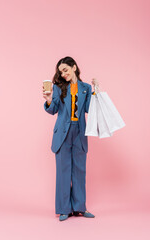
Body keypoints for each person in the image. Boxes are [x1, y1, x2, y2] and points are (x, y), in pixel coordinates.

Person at [42, 56, 99, 221]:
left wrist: (95, 92)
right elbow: (53, 109)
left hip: (79, 132)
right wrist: (47, 101)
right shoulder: (59, 87)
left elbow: (90, 109)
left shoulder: (86, 88)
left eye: (65, 70)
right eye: (61, 72)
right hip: (62, 134)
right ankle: (64, 209)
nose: (63, 74)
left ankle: (80, 207)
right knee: (63, 171)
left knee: (80, 171)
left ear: (74, 67)